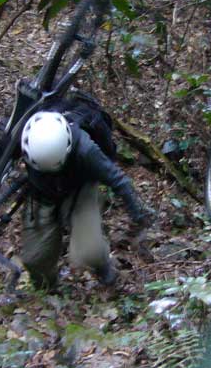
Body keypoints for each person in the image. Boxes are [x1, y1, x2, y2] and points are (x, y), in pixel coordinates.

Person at [18, 104, 152, 290]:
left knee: (90, 250)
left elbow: (118, 180)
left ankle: (103, 268)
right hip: (42, 194)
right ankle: (46, 289)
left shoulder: (86, 150)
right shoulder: (24, 135)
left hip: (79, 190)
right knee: (34, 260)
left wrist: (137, 216)